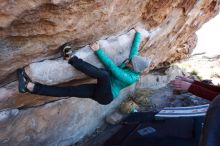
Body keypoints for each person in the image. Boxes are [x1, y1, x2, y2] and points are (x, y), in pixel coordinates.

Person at [17, 28, 151, 105]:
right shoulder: (134, 63)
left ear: (134, 68)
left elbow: (112, 68)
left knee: (104, 74)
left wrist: (98, 50)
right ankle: (31, 87)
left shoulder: (130, 78)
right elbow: (135, 49)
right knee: (68, 91)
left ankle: (70, 58)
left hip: (106, 96)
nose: (128, 61)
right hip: (101, 90)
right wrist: (138, 33)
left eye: (130, 63)